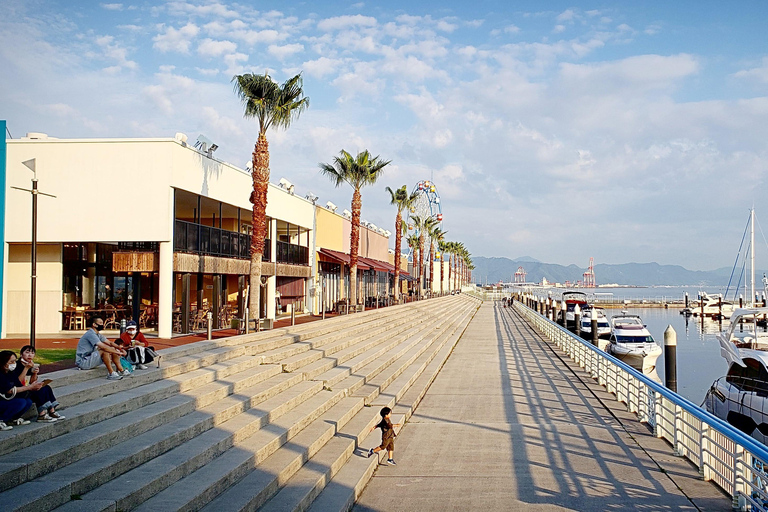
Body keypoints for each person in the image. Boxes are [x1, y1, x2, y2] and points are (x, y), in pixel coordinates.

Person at [14, 345, 64, 422]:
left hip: (28, 386)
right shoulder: (17, 365)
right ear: (21, 354)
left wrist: (35, 373)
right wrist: (26, 368)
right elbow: (18, 382)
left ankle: (52, 411)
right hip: (20, 390)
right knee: (39, 390)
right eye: (27, 352)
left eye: (32, 353)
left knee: (46, 387)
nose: (30, 355)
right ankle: (42, 414)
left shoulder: (31, 364)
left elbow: (32, 381)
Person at [76, 316, 131, 380]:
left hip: (90, 358)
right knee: (105, 350)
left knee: (112, 349)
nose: (102, 325)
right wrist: (118, 352)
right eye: (100, 323)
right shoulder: (90, 334)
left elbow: (110, 343)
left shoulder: (98, 335)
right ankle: (111, 373)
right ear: (94, 324)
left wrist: (119, 348)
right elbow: (103, 346)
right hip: (83, 361)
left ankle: (121, 370)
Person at [0, 350, 39, 430]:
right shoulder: (1, 375)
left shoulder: (10, 372)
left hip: (8, 398)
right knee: (20, 402)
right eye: (11, 362)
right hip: (2, 399)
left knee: (28, 401)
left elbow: (18, 384)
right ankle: (1, 420)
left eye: (15, 361)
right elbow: (9, 390)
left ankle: (13, 419)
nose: (14, 363)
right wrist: (29, 387)